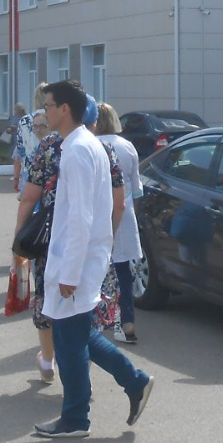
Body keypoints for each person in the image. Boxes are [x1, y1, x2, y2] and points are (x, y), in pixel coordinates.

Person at [32, 81, 152, 439]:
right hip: (83, 256)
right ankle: (134, 382)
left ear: (65, 109)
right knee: (78, 334)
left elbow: (81, 216)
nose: (45, 112)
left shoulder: (78, 150)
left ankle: (75, 418)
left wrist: (69, 272)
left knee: (69, 343)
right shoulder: (83, 144)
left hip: (78, 261)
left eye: (49, 105)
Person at [95, 103, 143, 344]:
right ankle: (127, 322)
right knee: (123, 272)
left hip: (97, 215)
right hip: (123, 214)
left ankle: (98, 320)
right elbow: (136, 189)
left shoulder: (90, 146)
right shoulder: (126, 146)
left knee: (95, 270)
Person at [11, 84, 46, 191]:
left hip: (29, 173)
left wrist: (16, 178)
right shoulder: (55, 118)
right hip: (52, 172)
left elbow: (20, 152)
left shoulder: (24, 121)